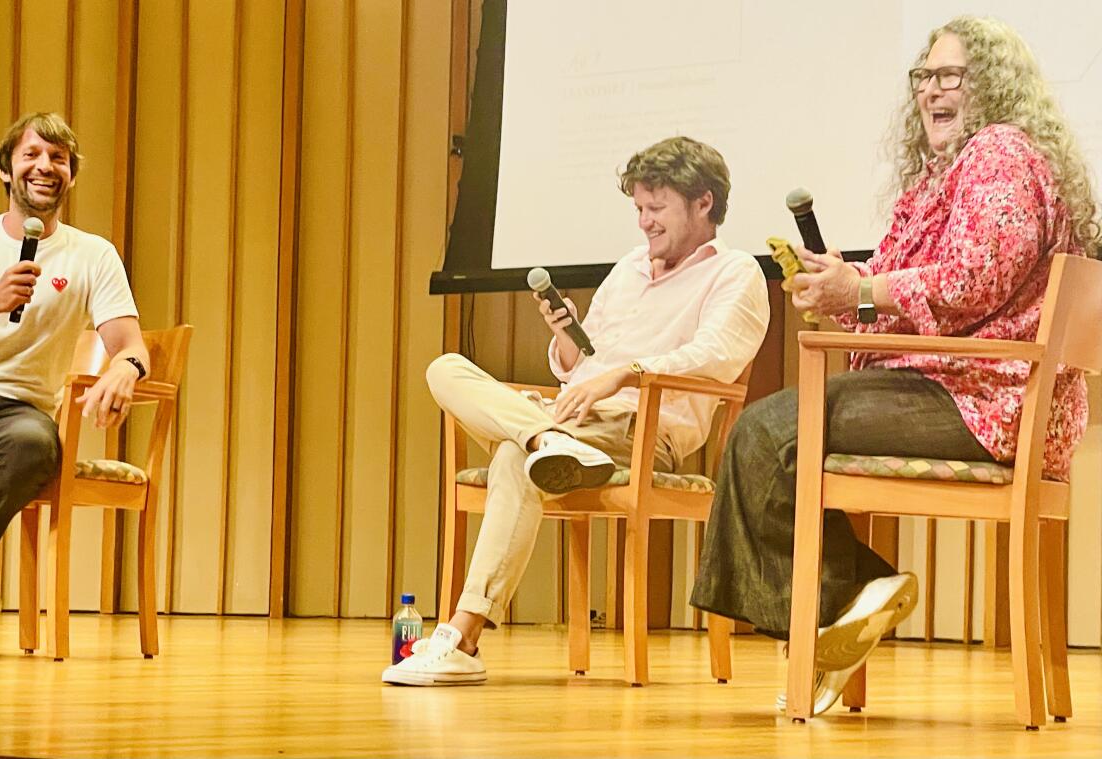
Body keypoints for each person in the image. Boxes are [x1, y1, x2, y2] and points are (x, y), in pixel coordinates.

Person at [690, 16, 1097, 714]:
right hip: (972, 390)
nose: (931, 91)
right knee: (769, 434)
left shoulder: (999, 153)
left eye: (950, 76)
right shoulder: (955, 172)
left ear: (993, 85)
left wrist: (866, 291)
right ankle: (849, 601)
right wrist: (843, 287)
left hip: (982, 398)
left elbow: (975, 278)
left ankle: (848, 595)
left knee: (763, 435)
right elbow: (907, 290)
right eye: (923, 76)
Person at [382, 136, 771, 686]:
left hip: (641, 429)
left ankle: (462, 636)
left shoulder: (735, 273)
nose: (644, 223)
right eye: (638, 209)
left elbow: (716, 357)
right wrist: (567, 340)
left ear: (703, 203)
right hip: (569, 418)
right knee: (445, 368)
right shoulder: (630, 268)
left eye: (655, 208)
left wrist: (625, 372)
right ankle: (546, 440)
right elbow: (581, 366)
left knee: (515, 460)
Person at [0, 112, 150, 658]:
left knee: (33, 446)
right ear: (6, 170)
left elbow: (130, 345)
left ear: (71, 176)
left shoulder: (93, 254)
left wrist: (123, 369)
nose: (45, 167)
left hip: (22, 409)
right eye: (32, 155)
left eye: (58, 158)